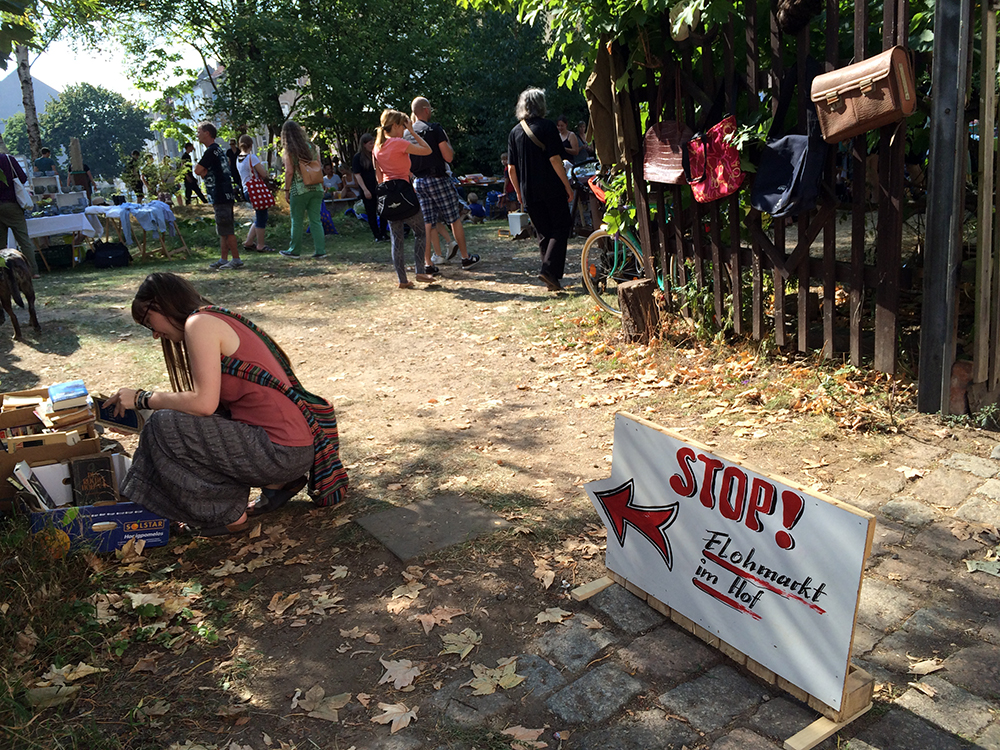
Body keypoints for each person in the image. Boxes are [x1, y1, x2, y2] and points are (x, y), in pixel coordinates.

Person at [106, 273, 348, 534]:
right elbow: (207, 413)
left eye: (148, 322)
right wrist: (141, 416)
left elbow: (203, 404)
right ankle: (278, 485)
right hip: (292, 448)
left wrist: (143, 398)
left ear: (160, 304)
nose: (154, 334)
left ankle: (225, 516)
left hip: (282, 452)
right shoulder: (215, 317)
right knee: (161, 423)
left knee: (163, 423)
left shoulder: (200, 324)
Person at [507, 88, 574, 291]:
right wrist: (567, 185)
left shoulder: (515, 131)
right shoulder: (547, 127)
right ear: (541, 105)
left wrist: (519, 192)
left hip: (529, 190)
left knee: (544, 233)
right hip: (551, 186)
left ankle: (552, 279)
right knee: (561, 226)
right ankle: (548, 270)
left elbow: (511, 168)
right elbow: (555, 159)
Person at [408, 97, 480, 272]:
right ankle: (465, 258)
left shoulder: (405, 134)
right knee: (454, 218)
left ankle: (428, 264)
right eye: (430, 108)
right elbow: (448, 157)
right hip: (437, 179)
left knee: (427, 223)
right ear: (426, 110)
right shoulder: (434, 129)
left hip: (418, 182)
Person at [373, 109, 435, 288]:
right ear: (396, 126)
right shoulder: (399, 143)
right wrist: (414, 132)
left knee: (396, 239)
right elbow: (427, 150)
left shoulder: (377, 146)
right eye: (403, 126)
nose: (405, 130)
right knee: (421, 232)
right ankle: (420, 271)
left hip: (389, 194)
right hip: (405, 194)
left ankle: (402, 280)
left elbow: (379, 176)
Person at [194, 122, 242, 270]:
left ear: (207, 133)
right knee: (222, 228)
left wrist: (204, 173)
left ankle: (236, 258)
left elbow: (197, 170)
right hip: (223, 193)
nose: (197, 134)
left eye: (199, 131)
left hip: (220, 193)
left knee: (227, 228)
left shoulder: (211, 152)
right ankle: (223, 258)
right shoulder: (218, 150)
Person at [279, 120, 327, 259]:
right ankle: (320, 250)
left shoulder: (289, 149)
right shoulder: (312, 146)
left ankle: (294, 250)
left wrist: (286, 190)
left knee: (297, 220)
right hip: (316, 186)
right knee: (316, 220)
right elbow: (318, 165)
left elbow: (289, 172)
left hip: (299, 189)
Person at [0, 150, 39, 278]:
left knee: (1, 244)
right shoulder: (9, 159)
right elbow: (22, 178)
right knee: (24, 240)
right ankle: (33, 271)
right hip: (12, 204)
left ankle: (3, 274)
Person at [236, 135, 275, 253]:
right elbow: (263, 174)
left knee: (259, 215)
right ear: (251, 145)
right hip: (255, 190)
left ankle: (249, 242)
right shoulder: (251, 157)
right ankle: (260, 244)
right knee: (262, 216)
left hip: (246, 190)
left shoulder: (238, 159)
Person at [352, 134, 388, 242]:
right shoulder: (358, 157)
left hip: (379, 186)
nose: (372, 145)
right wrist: (365, 189)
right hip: (367, 188)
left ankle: (383, 233)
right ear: (364, 144)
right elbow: (357, 175)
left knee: (383, 211)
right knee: (371, 212)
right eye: (370, 143)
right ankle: (377, 235)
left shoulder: (376, 155)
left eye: (373, 143)